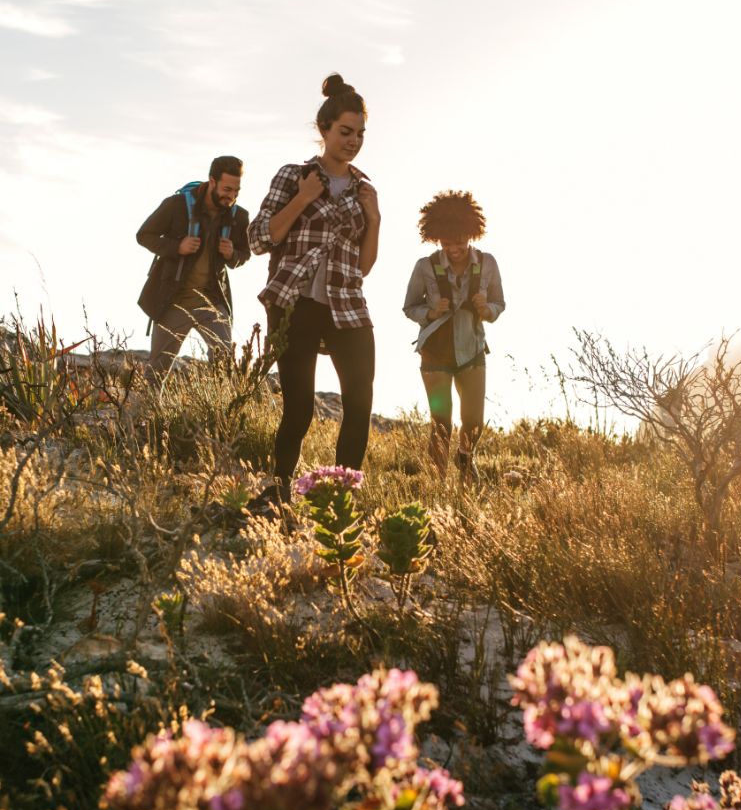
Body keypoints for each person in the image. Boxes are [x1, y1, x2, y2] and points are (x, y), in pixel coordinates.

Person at [246, 74, 381, 509]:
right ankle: (280, 490)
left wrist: (374, 220)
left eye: (360, 133)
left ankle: (341, 498)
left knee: (360, 402)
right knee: (300, 404)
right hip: (294, 301)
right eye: (345, 132)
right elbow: (258, 239)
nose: (353, 141)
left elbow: (362, 267)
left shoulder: (365, 190)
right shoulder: (293, 175)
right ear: (324, 129)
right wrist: (303, 198)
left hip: (347, 307)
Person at [403, 191, 503, 481]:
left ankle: (464, 457)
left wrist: (488, 310)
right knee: (441, 420)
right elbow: (410, 306)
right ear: (437, 239)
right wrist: (431, 312)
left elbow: (500, 303)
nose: (454, 248)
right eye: (447, 243)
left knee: (473, 421)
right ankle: (436, 479)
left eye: (459, 241)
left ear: (471, 234)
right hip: (435, 352)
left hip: (472, 349)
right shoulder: (425, 266)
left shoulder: (487, 264)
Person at [136, 155, 250, 374]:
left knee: (225, 367)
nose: (232, 196)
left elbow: (245, 253)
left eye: (236, 191)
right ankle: (145, 409)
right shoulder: (176, 205)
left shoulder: (239, 216)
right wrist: (177, 247)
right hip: (173, 300)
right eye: (227, 190)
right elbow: (144, 235)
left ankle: (218, 409)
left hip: (213, 301)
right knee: (157, 371)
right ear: (212, 182)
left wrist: (232, 254)